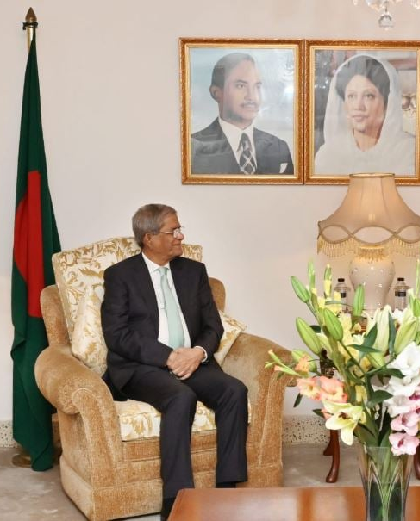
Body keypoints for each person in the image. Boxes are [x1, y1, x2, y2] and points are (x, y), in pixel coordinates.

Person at [101, 204, 248, 520]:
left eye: (180, 229)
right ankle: (177, 499)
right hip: (142, 367)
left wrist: (198, 353)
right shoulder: (120, 276)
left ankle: (227, 490)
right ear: (149, 238)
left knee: (234, 391)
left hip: (191, 361)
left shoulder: (193, 272)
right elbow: (117, 335)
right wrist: (166, 356)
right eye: (174, 231)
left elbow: (213, 325)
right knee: (181, 397)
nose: (181, 236)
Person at [191, 52, 294, 175]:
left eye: (257, 87)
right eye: (240, 86)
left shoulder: (278, 147)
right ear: (216, 92)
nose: (252, 96)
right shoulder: (193, 147)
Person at [314, 53, 416, 176]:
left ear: (387, 103)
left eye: (368, 96)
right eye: (351, 96)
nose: (358, 106)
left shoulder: (409, 151)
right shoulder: (328, 155)